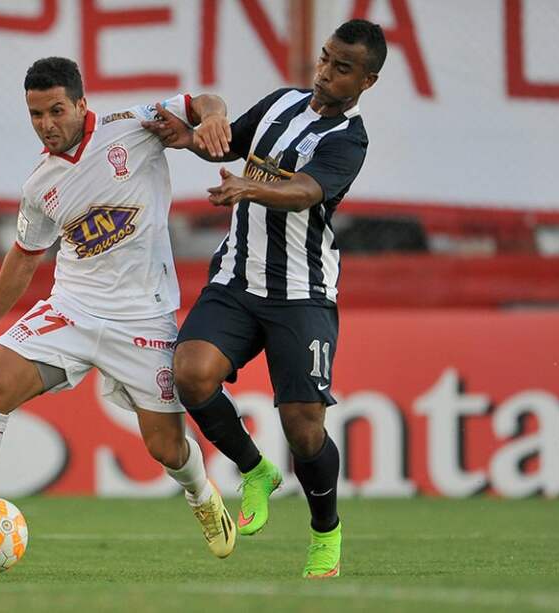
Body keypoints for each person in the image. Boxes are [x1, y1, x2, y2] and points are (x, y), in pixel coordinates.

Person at [0, 57, 238, 559]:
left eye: (56, 111)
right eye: (35, 115)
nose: (47, 125)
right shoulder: (39, 185)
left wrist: (210, 118)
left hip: (143, 316)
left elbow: (200, 101)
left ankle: (201, 494)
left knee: (166, 447)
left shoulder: (133, 126)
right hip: (72, 309)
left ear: (81, 103)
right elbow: (25, 255)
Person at [142, 19, 387, 577]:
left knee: (304, 428)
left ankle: (325, 530)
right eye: (325, 59)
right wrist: (193, 138)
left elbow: (304, 191)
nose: (325, 73)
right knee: (190, 374)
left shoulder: (348, 140)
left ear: (367, 81)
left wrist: (246, 187)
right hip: (236, 278)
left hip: (302, 294)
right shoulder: (282, 103)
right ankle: (255, 470)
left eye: (342, 68)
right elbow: (230, 143)